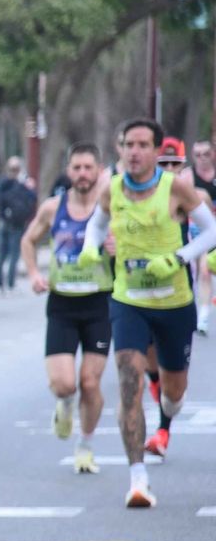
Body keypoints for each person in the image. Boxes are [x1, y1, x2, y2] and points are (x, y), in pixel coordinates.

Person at [76, 118, 216, 507]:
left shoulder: (177, 188)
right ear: (119, 149)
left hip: (174, 303)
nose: (134, 151)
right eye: (127, 144)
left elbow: (212, 231)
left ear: (157, 151)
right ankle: (138, 478)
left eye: (142, 144)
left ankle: (169, 411)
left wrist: (179, 258)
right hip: (128, 300)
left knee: (173, 391)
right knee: (129, 383)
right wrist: (91, 247)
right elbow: (96, 225)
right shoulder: (113, 188)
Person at [21, 143, 113, 474]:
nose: (83, 174)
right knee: (64, 384)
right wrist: (33, 273)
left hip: (99, 302)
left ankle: (85, 447)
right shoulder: (52, 207)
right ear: (68, 170)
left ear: (100, 170)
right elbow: (28, 240)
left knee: (90, 382)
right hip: (61, 303)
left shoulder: (110, 208)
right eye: (76, 168)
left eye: (89, 167)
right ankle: (64, 403)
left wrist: (117, 248)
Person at [183, 140, 216, 335]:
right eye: (197, 155)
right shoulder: (188, 177)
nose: (202, 159)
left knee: (205, 270)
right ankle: (191, 308)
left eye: (206, 154)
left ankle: (203, 316)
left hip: (211, 232)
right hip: (192, 230)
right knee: (192, 273)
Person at [0, 156, 37, 293]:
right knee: (12, 254)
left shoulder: (3, 183)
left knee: (3, 254)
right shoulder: (21, 184)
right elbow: (33, 198)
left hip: (6, 222)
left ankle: (1, 283)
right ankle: (9, 283)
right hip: (16, 223)